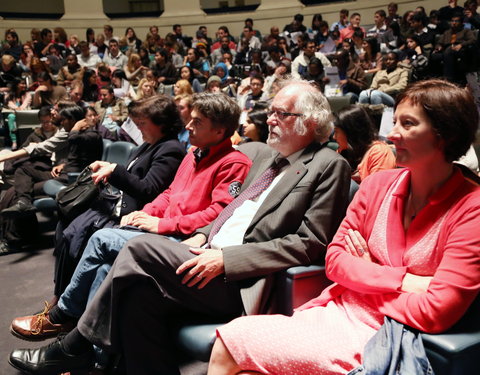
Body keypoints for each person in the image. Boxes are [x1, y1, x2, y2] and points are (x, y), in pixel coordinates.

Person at [8, 80, 351, 375]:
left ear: (309, 121)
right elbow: (231, 210)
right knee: (136, 293)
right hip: (204, 251)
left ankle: (74, 344)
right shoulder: (265, 157)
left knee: (135, 246)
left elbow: (311, 242)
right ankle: (104, 362)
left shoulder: (328, 165)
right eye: (270, 111)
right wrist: (203, 235)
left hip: (241, 277)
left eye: (280, 113)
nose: (269, 119)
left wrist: (227, 260)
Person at [207, 78, 480, 375]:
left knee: (231, 342)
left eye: (408, 124)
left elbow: (438, 310)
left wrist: (364, 278)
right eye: (395, 122)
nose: (392, 134)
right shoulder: (376, 185)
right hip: (337, 312)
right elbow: (335, 261)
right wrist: (405, 281)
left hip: (391, 335)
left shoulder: (472, 208)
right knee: (238, 352)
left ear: (446, 135)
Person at [333, 105, 396, 183]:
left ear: (350, 132)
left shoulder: (379, 153)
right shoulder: (343, 151)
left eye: (336, 132)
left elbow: (377, 191)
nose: (334, 137)